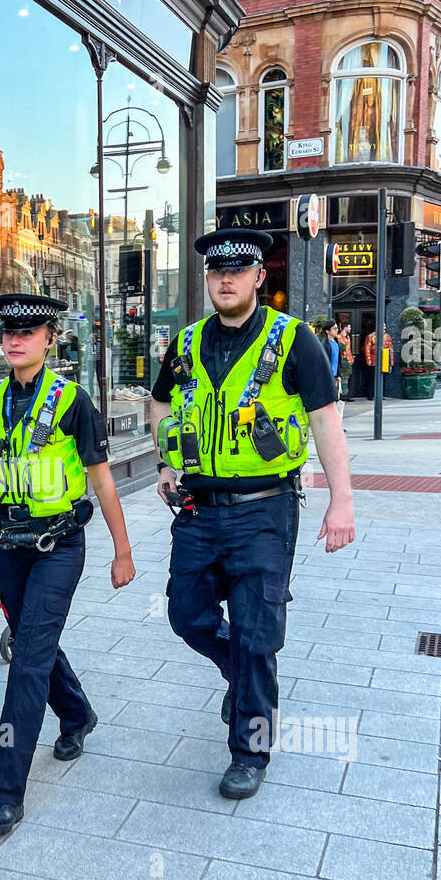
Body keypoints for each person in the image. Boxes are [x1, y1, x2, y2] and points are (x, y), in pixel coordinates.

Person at [152, 230, 355, 801]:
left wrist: (342, 499)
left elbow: (325, 421)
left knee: (257, 631)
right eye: (216, 271)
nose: (225, 279)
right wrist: (167, 460)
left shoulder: (295, 342)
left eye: (238, 271)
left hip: (265, 511)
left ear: (259, 278)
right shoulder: (186, 343)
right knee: (185, 614)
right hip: (196, 508)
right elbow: (162, 402)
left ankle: (250, 749)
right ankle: (242, 678)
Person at [0, 292, 136, 836]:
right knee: (33, 639)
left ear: (49, 339)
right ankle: (77, 713)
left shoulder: (73, 401)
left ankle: (4, 794)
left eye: (28, 331)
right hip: (7, 545)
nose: (15, 340)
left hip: (58, 547)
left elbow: (100, 477)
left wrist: (123, 549)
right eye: (8, 332)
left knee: (26, 662)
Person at [318, 319, 345, 418]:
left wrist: (338, 375)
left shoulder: (336, 343)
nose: (336, 330)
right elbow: (322, 363)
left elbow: (338, 361)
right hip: (327, 377)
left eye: (337, 328)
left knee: (335, 400)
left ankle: (335, 423)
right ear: (327, 331)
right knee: (329, 401)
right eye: (334, 328)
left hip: (334, 376)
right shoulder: (324, 345)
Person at [363, 328, 394, 400]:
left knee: (382, 377)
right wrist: (368, 359)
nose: (384, 330)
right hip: (374, 359)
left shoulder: (387, 336)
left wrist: (391, 360)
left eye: (385, 328)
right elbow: (367, 348)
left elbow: (391, 348)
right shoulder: (370, 336)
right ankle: (371, 394)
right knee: (372, 377)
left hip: (384, 359)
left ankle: (380, 394)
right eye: (383, 328)